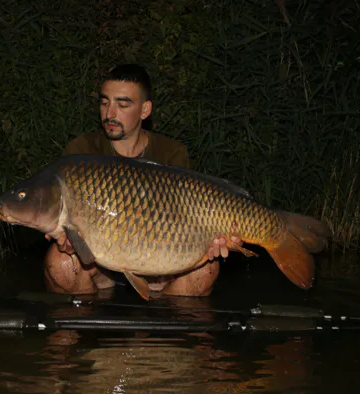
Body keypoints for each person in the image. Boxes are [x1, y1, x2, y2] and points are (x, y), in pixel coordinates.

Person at [43, 63, 242, 296]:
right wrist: (68, 239)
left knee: (205, 270)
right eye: (105, 103)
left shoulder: (171, 153)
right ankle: (84, 318)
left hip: (159, 264)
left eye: (122, 105)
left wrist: (212, 241)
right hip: (99, 265)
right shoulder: (82, 151)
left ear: (145, 110)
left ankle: (169, 319)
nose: (110, 114)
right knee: (61, 264)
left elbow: (190, 217)